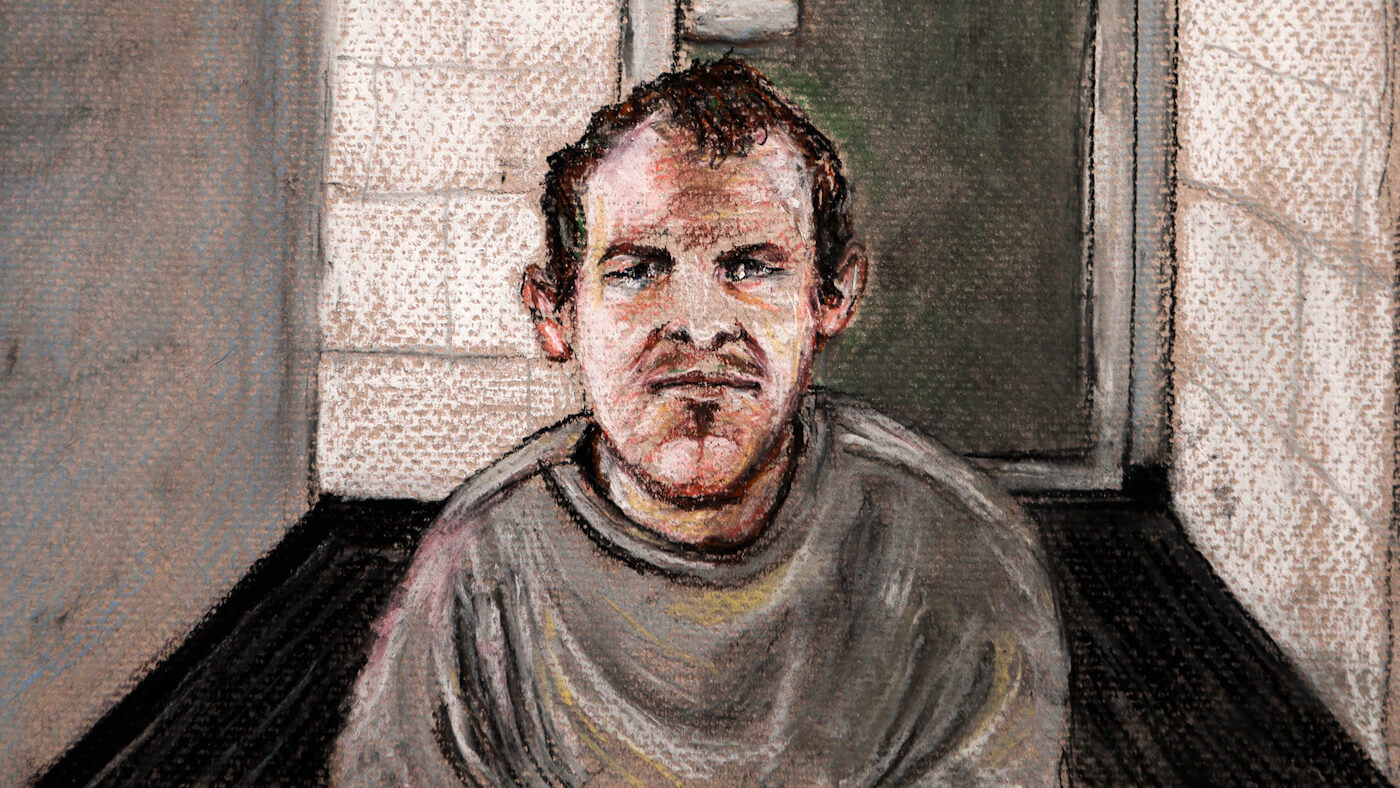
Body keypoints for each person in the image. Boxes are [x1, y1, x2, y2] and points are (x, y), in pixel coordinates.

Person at [332, 58, 1067, 786]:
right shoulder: (481, 566)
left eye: (750, 267)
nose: (702, 325)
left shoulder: (957, 551)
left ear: (830, 296)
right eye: (637, 270)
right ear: (556, 314)